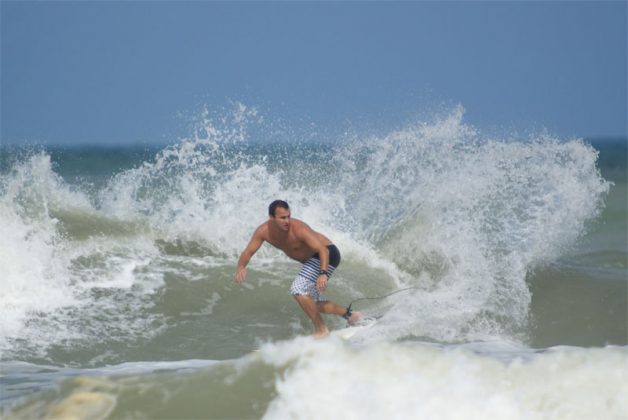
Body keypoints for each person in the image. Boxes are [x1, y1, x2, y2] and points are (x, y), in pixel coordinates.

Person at [235, 200, 362, 337]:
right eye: (282, 218)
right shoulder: (263, 232)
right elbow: (248, 252)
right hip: (313, 260)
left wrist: (323, 273)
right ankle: (352, 316)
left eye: (288, 216)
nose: (287, 221)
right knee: (312, 303)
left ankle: (321, 330)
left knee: (298, 289)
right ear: (271, 218)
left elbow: (322, 250)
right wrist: (241, 267)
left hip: (326, 254)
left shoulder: (299, 228)